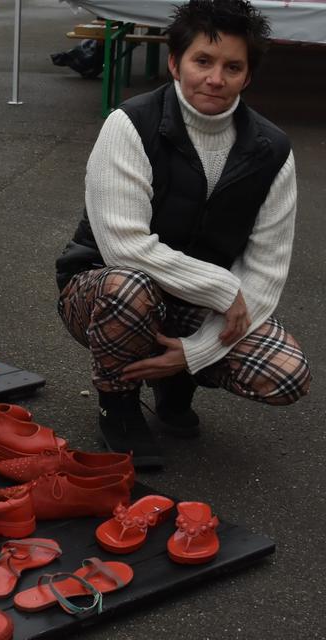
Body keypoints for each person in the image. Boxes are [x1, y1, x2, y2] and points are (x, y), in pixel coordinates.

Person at [55, 0, 311, 468]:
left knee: (286, 374)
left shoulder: (272, 149)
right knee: (128, 285)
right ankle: (119, 401)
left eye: (233, 66)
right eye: (203, 61)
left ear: (248, 75)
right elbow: (123, 246)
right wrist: (222, 287)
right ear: (175, 62)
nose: (216, 78)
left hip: (201, 305)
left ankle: (175, 384)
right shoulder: (130, 124)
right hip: (101, 287)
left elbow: (267, 268)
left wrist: (194, 354)